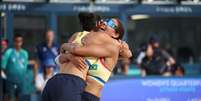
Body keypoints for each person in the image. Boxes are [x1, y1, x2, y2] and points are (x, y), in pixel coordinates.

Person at [42, 12, 131, 101]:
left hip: (84, 93)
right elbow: (59, 59)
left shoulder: (113, 45)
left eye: (111, 24)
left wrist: (64, 46)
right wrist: (69, 56)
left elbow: (128, 54)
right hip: (72, 86)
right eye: (107, 20)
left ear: (115, 34)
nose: (106, 23)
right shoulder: (90, 41)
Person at [1, 34, 29, 101]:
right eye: (16, 41)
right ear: (14, 42)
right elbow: (3, 67)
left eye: (20, 41)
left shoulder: (25, 53)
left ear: (22, 42)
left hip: (20, 80)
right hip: (10, 80)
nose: (18, 43)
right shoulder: (9, 52)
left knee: (19, 98)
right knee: (9, 98)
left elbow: (25, 67)